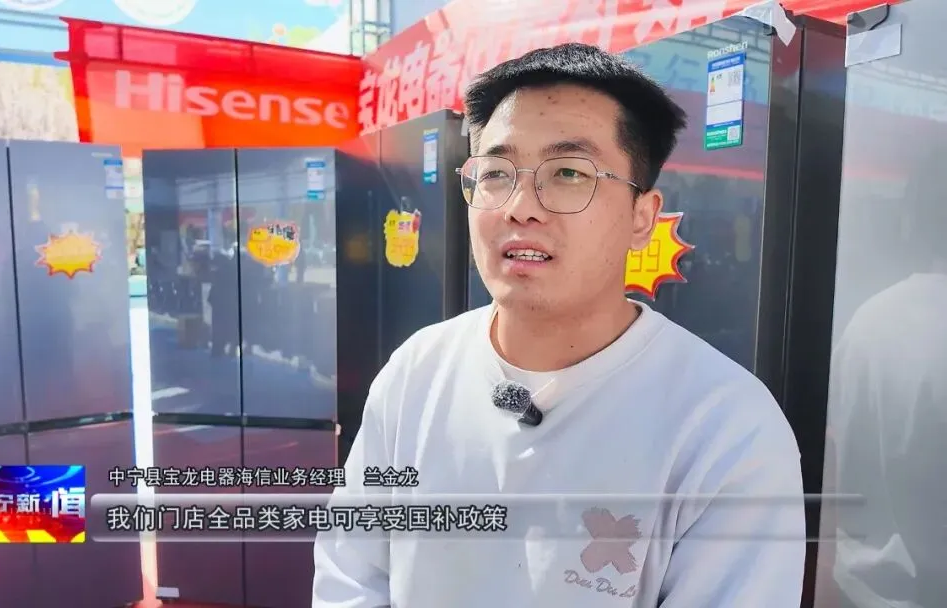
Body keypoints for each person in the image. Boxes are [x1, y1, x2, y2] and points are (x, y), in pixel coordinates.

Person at [313, 43, 805, 607]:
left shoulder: (726, 426)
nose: (519, 206)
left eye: (568, 172)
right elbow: (352, 574)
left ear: (642, 217)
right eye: (495, 173)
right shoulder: (417, 370)